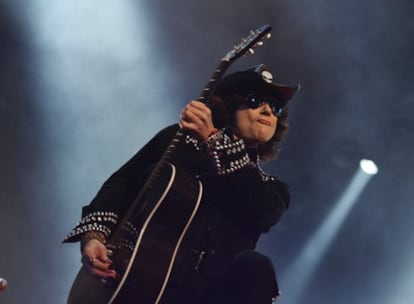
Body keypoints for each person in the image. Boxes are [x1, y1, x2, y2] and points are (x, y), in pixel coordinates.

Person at [63, 63, 299, 304]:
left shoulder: (270, 188)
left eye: (276, 108)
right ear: (229, 106)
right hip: (137, 278)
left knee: (255, 265)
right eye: (254, 100)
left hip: (208, 296)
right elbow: (121, 183)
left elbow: (263, 211)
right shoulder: (177, 141)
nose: (268, 111)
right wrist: (94, 238)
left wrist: (214, 141)